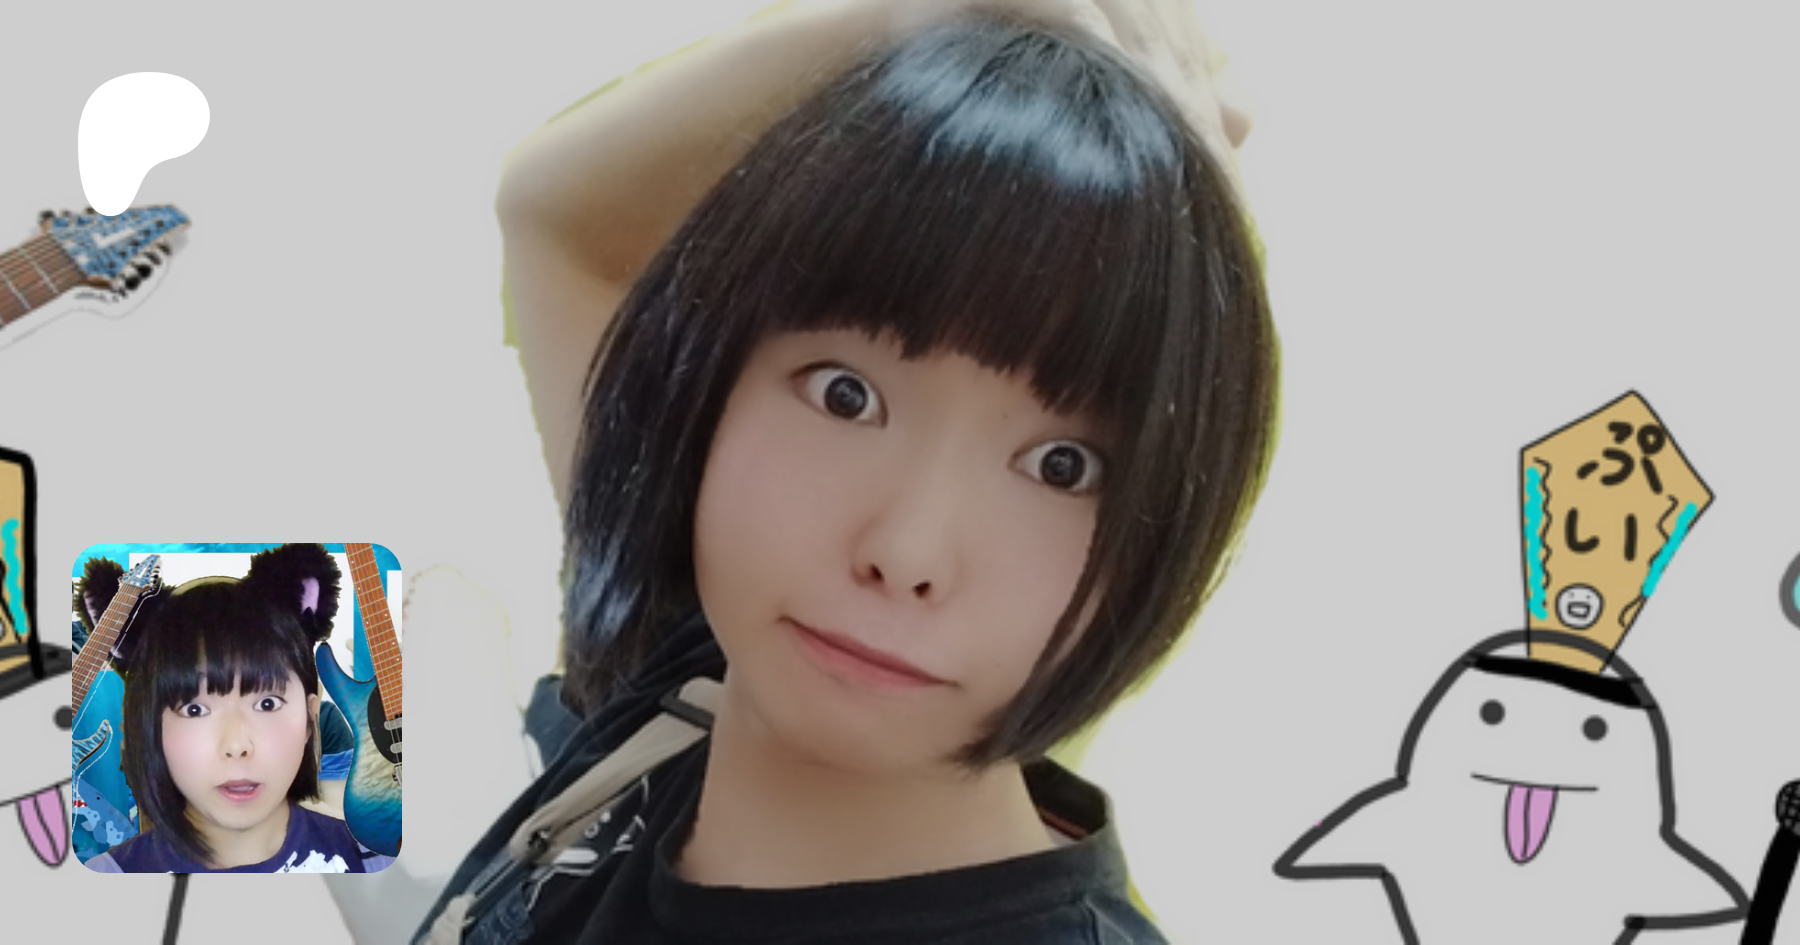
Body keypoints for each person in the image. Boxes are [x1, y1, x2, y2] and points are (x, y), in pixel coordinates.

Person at [418, 1, 1277, 941]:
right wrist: (920, 23)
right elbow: (554, 218)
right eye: (845, 395)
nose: (906, 552)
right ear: (710, 393)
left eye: (1060, 466)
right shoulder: (695, 676)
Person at [84, 544, 393, 873]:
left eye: (267, 704)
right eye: (194, 710)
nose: (236, 745)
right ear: (149, 728)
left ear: (309, 718)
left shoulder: (378, 861)